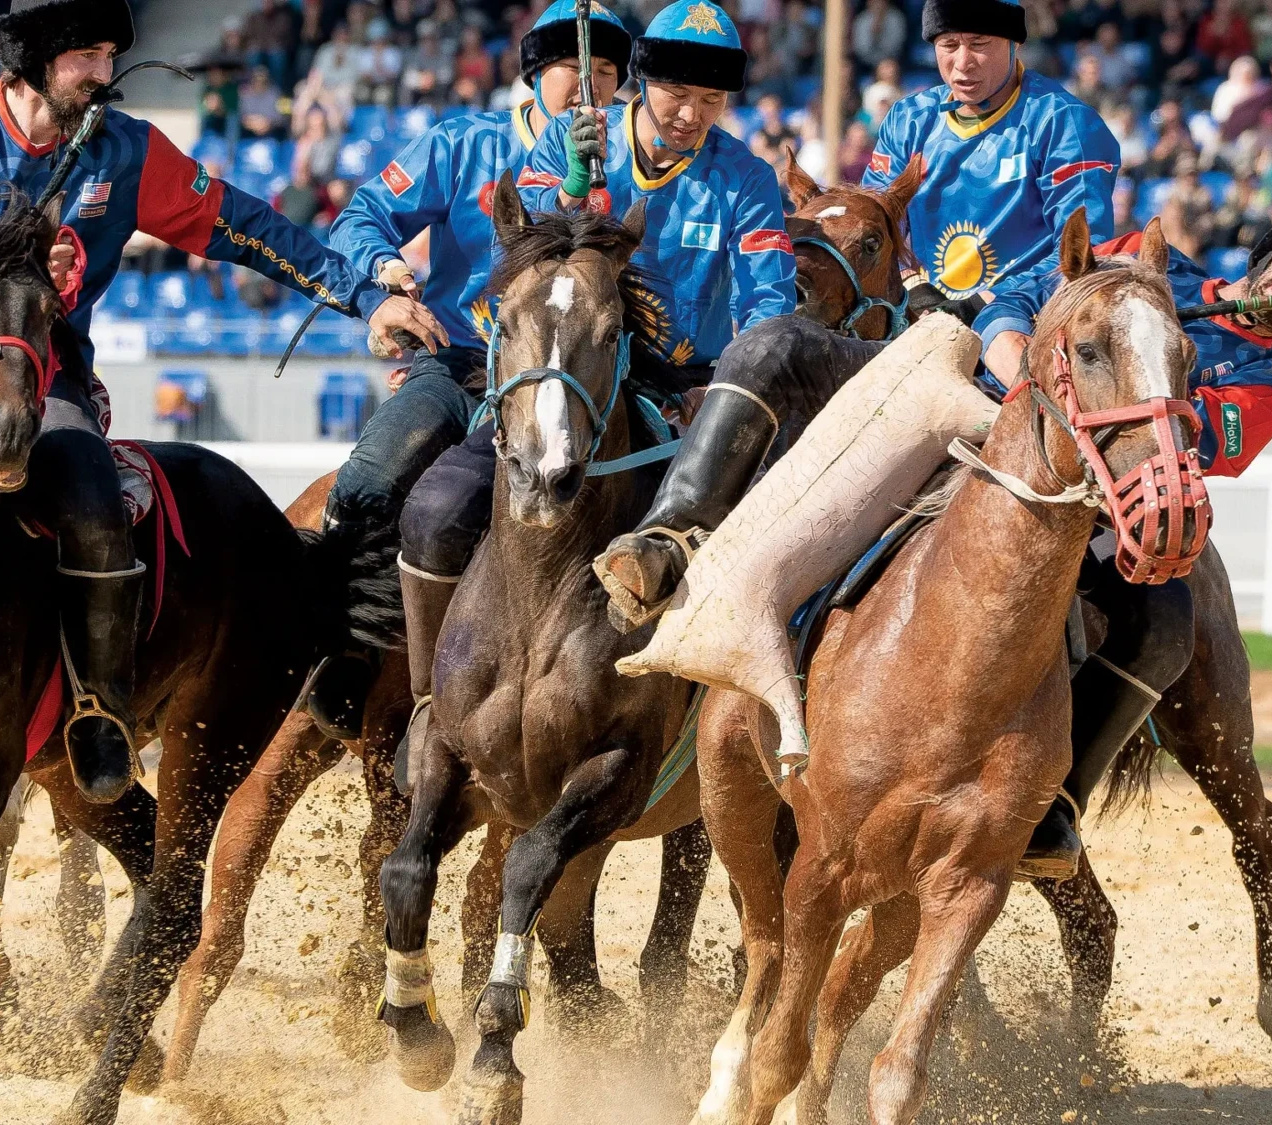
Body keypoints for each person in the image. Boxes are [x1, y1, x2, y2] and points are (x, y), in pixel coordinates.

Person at [0, 0, 444, 807]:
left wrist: (358, 292)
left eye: (109, 54)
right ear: (32, 61)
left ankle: (97, 708)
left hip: (43, 368)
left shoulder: (126, 151)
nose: (104, 72)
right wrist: (19, 273)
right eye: (85, 56)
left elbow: (242, 225)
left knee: (98, 510)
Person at [591, 0, 1119, 629]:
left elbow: (1084, 258)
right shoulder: (911, 119)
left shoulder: (1065, 125)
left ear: (1014, 44)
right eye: (949, 45)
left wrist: (983, 305)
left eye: (979, 44)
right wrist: (918, 286)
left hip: (1017, 340)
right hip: (915, 335)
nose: (962, 62)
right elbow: (876, 225)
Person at [392, 0, 794, 750]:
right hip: (565, 376)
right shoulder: (572, 139)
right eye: (678, 95)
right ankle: (427, 706)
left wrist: (729, 387)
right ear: (642, 83)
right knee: (437, 508)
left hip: (688, 395)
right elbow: (520, 262)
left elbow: (769, 302)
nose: (690, 115)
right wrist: (570, 191)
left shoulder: (745, 179)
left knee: (771, 543)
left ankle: (740, 727)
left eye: (711, 102)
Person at [973, 209, 1272, 878]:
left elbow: (1171, 447)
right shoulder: (1143, 256)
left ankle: (1056, 803)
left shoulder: (1263, 388)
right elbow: (1028, 292)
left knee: (1163, 623)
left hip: (1091, 503)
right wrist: (1019, 366)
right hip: (991, 423)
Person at [306, 0, 634, 739]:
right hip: (461, 362)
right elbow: (360, 217)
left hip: (570, 381)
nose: (591, 90)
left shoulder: (616, 165)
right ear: (532, 72)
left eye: (607, 75)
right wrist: (387, 270)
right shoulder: (461, 143)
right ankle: (347, 652)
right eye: (575, 71)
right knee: (366, 479)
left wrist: (586, 179)